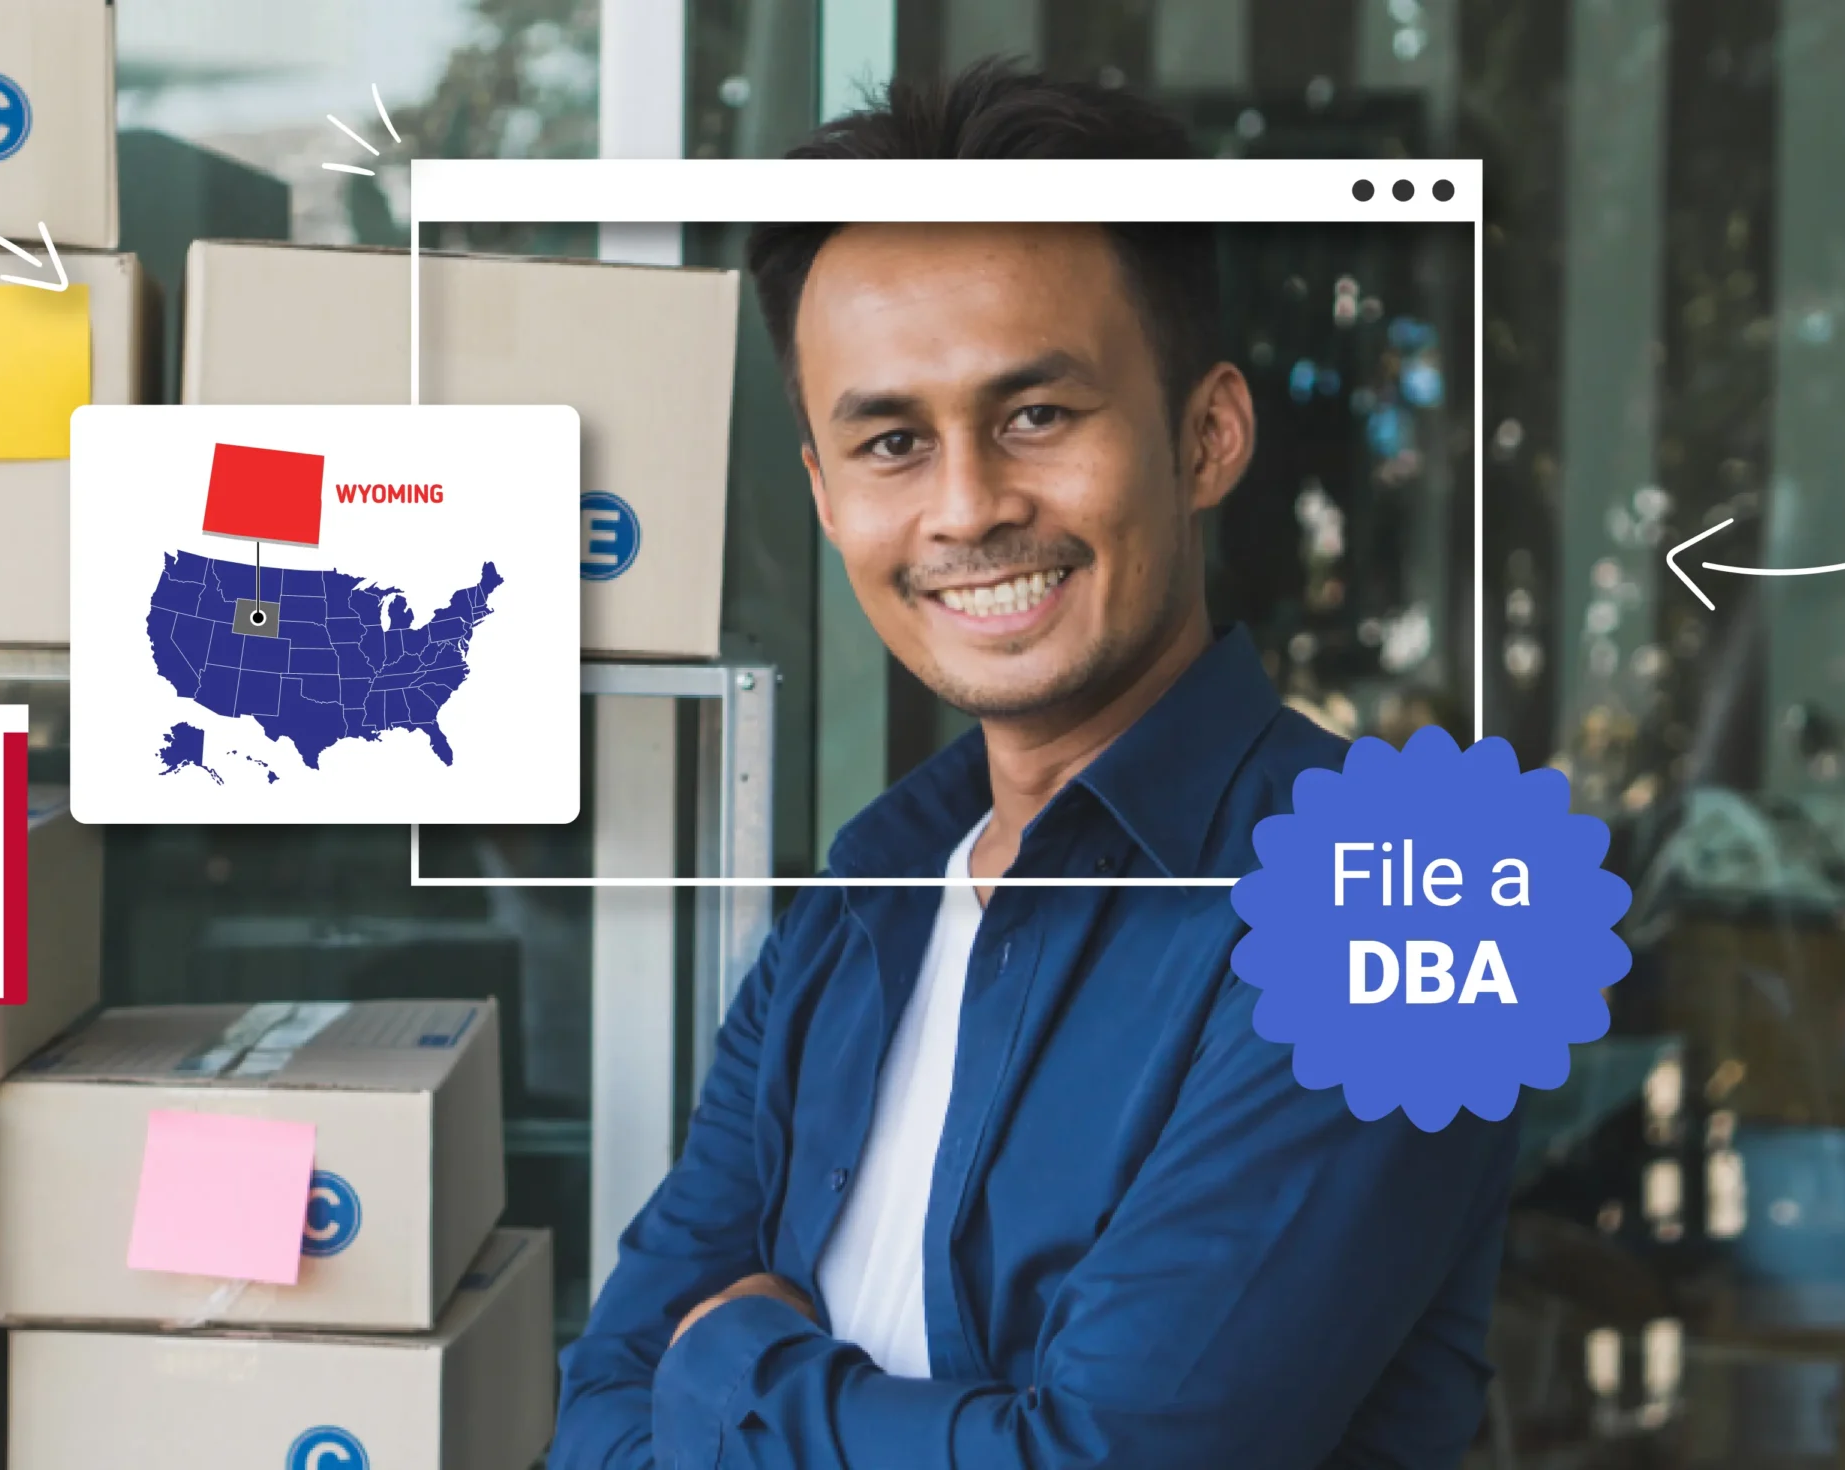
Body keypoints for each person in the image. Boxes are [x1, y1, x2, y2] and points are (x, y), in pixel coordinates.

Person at [549, 62, 1517, 1470]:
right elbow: (596, 1427)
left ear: (1207, 434)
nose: (967, 509)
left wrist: (734, 1361)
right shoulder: (866, 890)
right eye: (891, 441)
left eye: (1037, 416)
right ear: (826, 494)